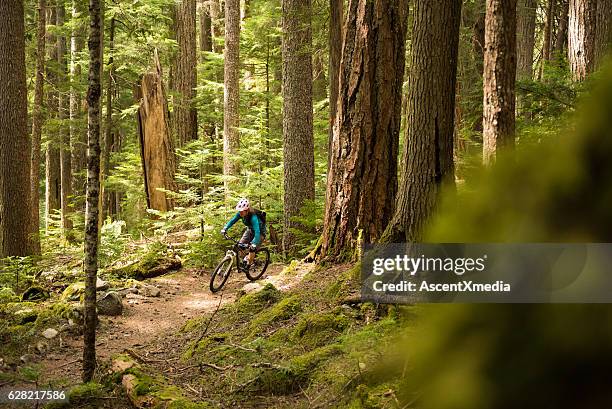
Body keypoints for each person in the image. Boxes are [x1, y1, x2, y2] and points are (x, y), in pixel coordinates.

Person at [221, 198, 265, 267]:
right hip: (250, 230)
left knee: (252, 249)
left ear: (247, 210)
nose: (240, 212)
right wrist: (225, 228)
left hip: (260, 233)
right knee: (240, 246)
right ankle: (246, 258)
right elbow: (232, 221)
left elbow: (257, 232)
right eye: (239, 211)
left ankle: (249, 264)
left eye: (242, 211)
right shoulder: (240, 214)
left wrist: (254, 244)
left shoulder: (253, 217)